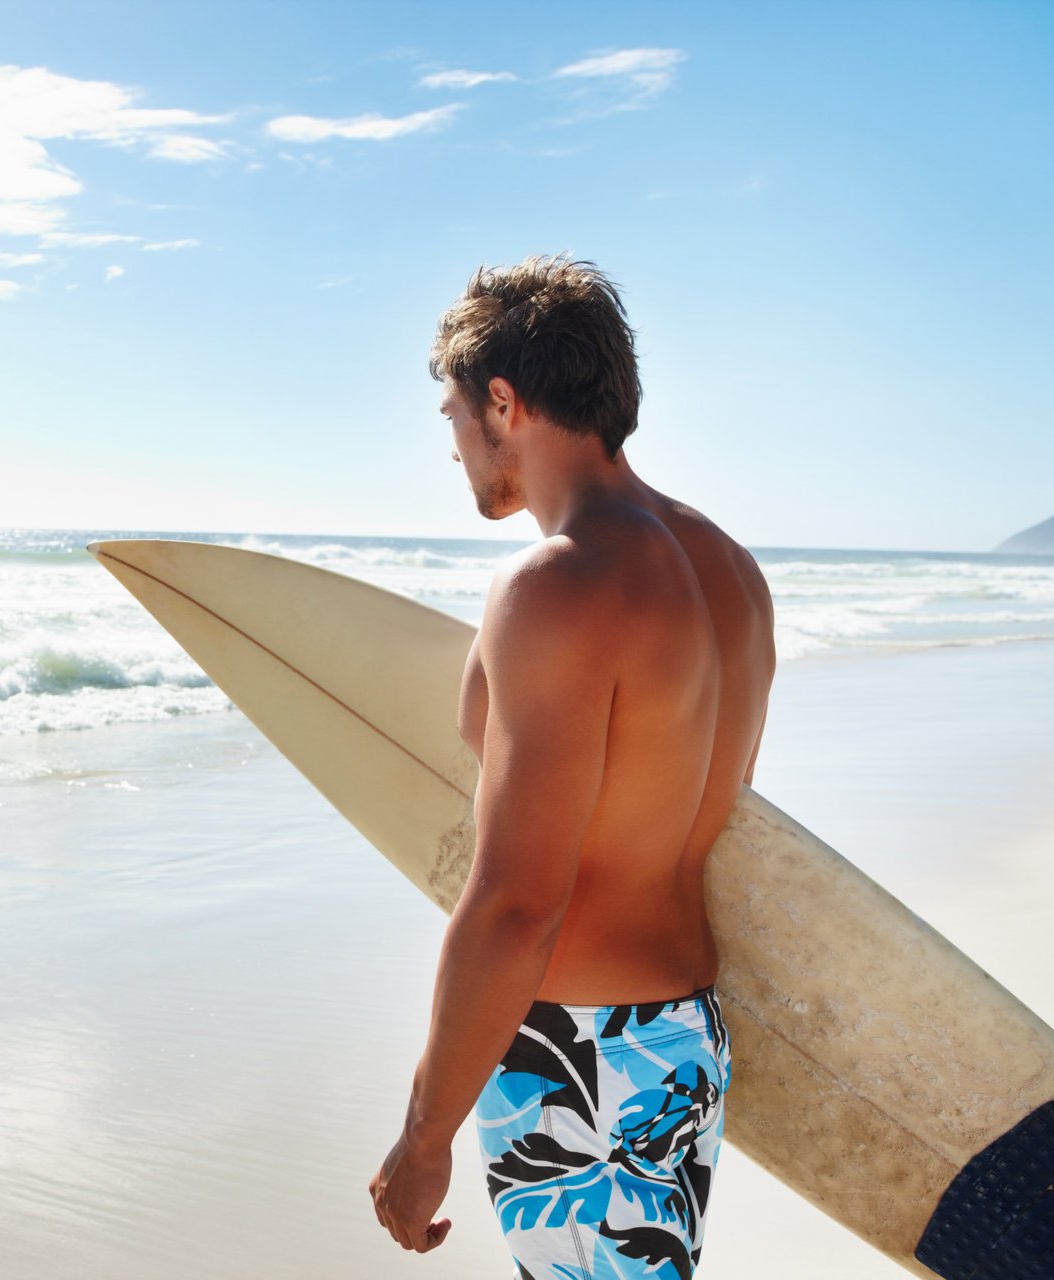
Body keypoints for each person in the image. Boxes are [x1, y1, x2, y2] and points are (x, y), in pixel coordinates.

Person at [368, 256, 776, 1278]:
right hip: (681, 1037)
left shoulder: (560, 584)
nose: (454, 447)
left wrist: (423, 1140)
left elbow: (517, 900)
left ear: (502, 400)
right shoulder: (730, 571)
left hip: (580, 1056)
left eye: (455, 415)